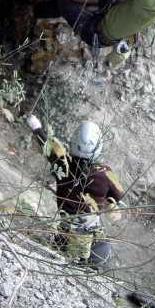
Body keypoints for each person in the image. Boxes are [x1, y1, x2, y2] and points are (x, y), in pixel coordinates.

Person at [25, 114, 124, 267]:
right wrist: (110, 205)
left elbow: (47, 146)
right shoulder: (105, 173)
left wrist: (36, 127)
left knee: (63, 241)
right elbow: (118, 196)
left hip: (63, 236)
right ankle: (87, 265)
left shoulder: (63, 165)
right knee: (102, 247)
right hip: (91, 243)